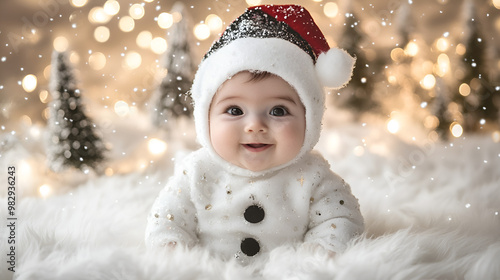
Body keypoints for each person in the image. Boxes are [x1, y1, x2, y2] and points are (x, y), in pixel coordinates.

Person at [145, 4, 364, 264]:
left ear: (310, 120)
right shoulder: (195, 172)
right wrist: (174, 252)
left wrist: (318, 254)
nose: (255, 126)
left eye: (279, 110)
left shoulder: (314, 177)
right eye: (235, 110)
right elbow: (167, 219)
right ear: (205, 120)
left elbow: (342, 219)